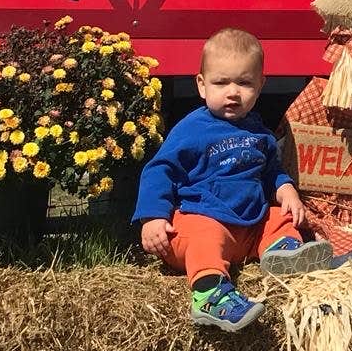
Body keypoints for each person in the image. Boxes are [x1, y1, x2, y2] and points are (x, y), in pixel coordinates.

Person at [134, 27, 333, 332]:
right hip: (201, 222)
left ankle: (283, 252)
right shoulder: (192, 129)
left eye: (244, 82)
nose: (233, 92)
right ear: (201, 85)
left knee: (278, 217)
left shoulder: (259, 133)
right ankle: (209, 294)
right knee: (204, 235)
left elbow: (270, 172)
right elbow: (159, 170)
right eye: (221, 82)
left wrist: (286, 189)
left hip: (247, 229)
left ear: (260, 84)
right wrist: (153, 217)